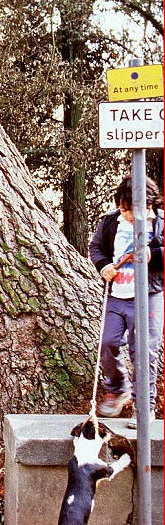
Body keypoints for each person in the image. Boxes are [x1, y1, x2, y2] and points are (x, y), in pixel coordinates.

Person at [89, 175, 164, 428]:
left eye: (129, 209)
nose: (126, 213)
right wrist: (103, 266)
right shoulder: (111, 222)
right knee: (107, 342)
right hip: (116, 296)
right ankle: (118, 387)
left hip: (149, 296)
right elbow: (96, 247)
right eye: (122, 207)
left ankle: (145, 408)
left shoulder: (161, 222)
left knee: (144, 353)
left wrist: (150, 255)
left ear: (147, 205)